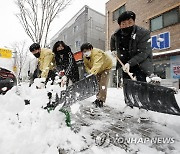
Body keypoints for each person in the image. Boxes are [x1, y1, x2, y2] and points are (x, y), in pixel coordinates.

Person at [110, 11, 153, 82]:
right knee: (127, 85)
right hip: (124, 65)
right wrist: (113, 49)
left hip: (140, 65)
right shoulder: (117, 34)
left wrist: (130, 63)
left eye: (130, 23)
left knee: (140, 86)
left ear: (134, 22)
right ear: (120, 25)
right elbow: (112, 39)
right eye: (123, 24)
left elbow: (144, 52)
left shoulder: (143, 33)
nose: (127, 26)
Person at [81, 43, 112, 108]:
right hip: (97, 70)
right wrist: (89, 72)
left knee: (102, 84)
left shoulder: (97, 53)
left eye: (87, 50)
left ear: (91, 49)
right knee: (97, 84)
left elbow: (97, 64)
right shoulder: (84, 57)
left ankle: (101, 100)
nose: (85, 52)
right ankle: (98, 98)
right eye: (84, 51)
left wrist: (92, 73)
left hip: (106, 68)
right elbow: (86, 66)